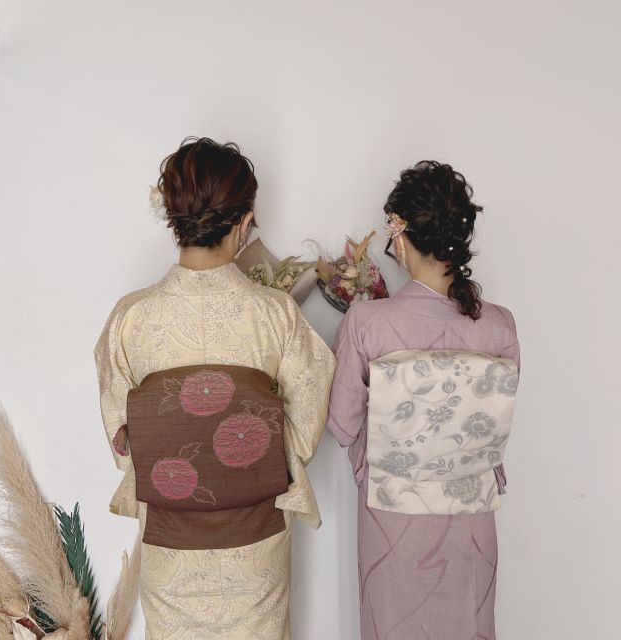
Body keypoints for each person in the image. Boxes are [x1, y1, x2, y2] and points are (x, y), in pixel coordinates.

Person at [94, 137, 335, 640]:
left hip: (170, 544)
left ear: (173, 218)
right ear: (245, 222)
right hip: (256, 542)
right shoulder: (275, 314)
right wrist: (247, 461)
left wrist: (186, 462)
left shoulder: (131, 318)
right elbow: (303, 430)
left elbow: (124, 443)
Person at [327, 161, 520, 640]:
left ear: (401, 237)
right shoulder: (499, 325)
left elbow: (342, 426)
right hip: (471, 520)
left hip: (392, 521)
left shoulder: (367, 322)